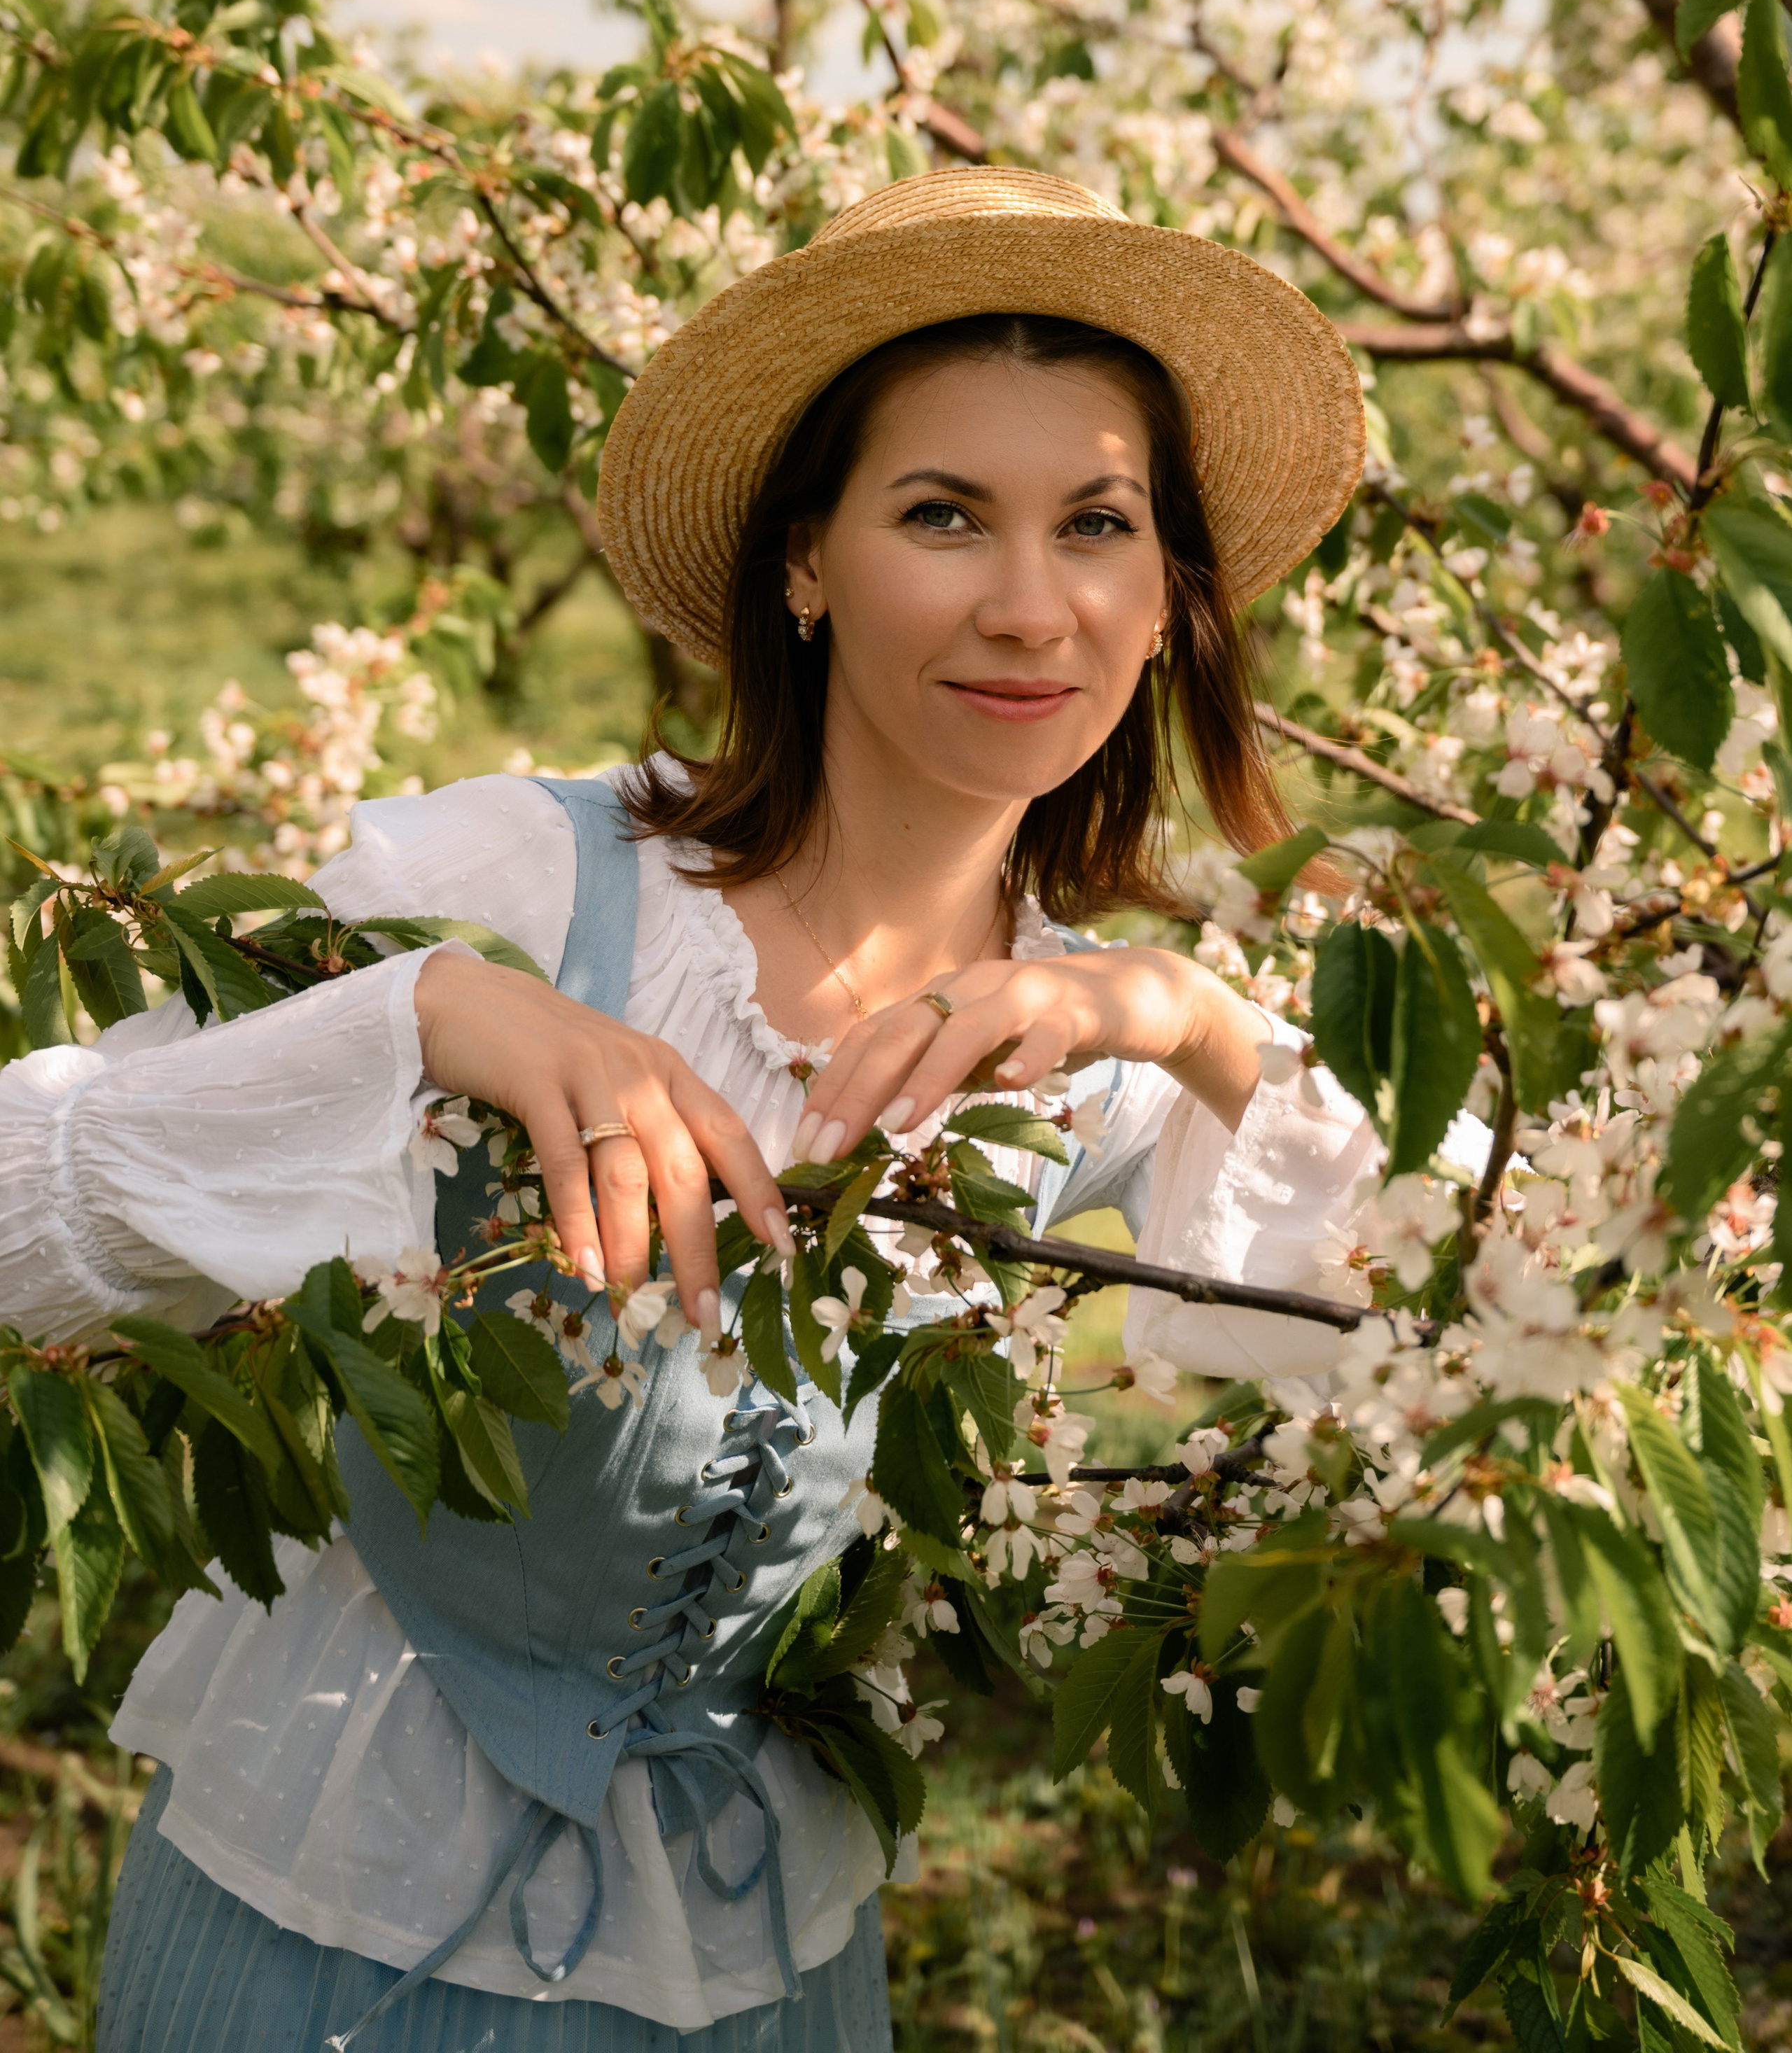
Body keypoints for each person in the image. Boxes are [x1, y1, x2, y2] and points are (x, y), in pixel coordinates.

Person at [0, 166, 1380, 2052]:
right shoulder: (523, 882)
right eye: (942, 515)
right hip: (331, 1893)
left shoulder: (1083, 1038)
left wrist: (1193, 1017)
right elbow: (24, 1215)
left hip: (756, 1958)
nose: (1028, 604)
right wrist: (421, 1014)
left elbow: (1466, 1330)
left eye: (1099, 526)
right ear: (805, 562)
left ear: (1165, 603)